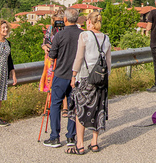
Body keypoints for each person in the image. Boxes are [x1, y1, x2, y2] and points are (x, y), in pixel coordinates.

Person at [69, 11, 111, 155]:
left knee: (81, 109)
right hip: (101, 79)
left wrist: (74, 75)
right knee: (98, 109)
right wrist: (106, 76)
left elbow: (79, 57)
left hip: (86, 77)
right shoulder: (106, 38)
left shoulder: (84, 35)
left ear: (89, 22)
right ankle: (94, 143)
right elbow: (108, 62)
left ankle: (80, 144)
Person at [44, 8, 83, 148]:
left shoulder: (60, 35)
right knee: (73, 107)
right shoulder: (83, 34)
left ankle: (55, 137)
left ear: (65, 19)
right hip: (76, 76)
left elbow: (52, 55)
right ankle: (71, 137)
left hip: (61, 74)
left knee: (55, 104)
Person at [40, 8, 67, 117]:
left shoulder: (66, 29)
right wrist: (45, 47)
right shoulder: (50, 29)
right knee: (51, 82)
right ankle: (50, 106)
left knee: (63, 81)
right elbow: (44, 43)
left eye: (60, 20)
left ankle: (65, 107)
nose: (58, 22)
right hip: (51, 59)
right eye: (56, 20)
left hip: (62, 58)